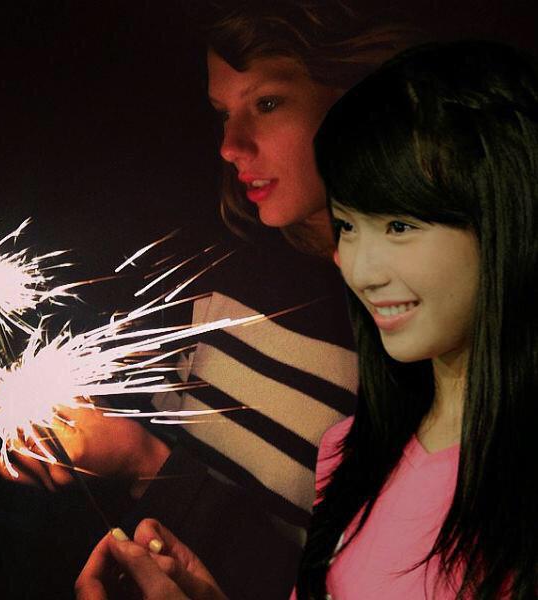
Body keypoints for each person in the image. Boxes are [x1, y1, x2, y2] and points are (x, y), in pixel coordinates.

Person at [75, 40, 538, 599]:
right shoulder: (347, 450)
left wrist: (146, 464)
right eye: (347, 225)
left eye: (398, 225)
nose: (359, 269)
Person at [0, 2, 410, 598]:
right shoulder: (227, 266)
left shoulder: (409, 331)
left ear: (359, 98)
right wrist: (95, 450)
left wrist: (143, 461)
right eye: (223, 113)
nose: (230, 145)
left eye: (267, 103)